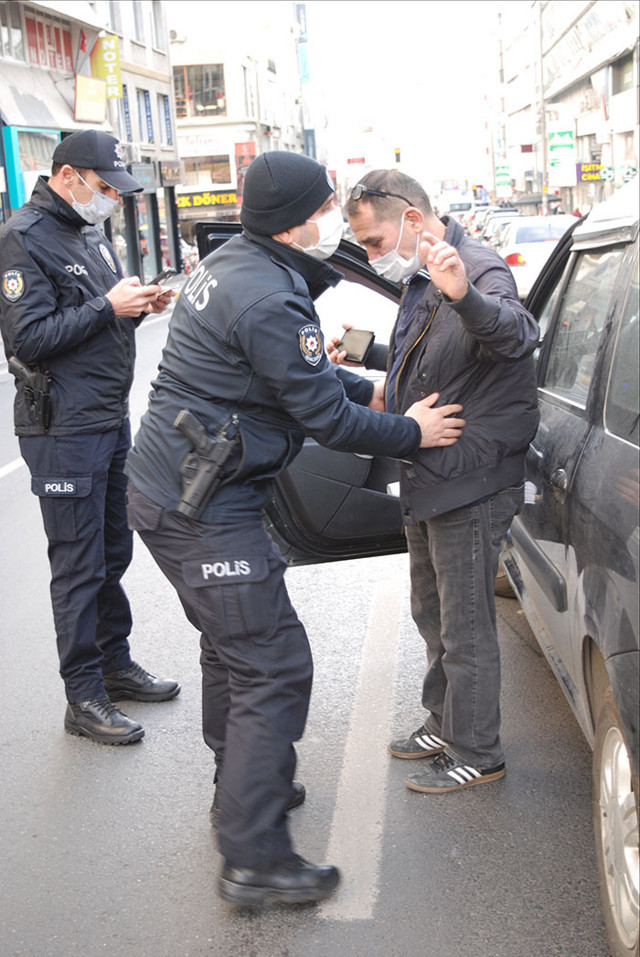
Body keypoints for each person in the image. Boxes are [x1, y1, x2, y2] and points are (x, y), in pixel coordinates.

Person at [124, 150, 466, 905]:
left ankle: (243, 788)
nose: (330, 227)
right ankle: (255, 859)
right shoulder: (267, 296)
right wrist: (410, 430)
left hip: (180, 488)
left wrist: (371, 383)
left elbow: (286, 379)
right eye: (323, 212)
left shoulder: (239, 265)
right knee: (272, 663)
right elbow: (323, 417)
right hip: (200, 503)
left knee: (232, 647)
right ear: (294, 221)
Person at [332, 169, 539, 794]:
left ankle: (478, 750)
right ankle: (444, 721)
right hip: (429, 473)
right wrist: (365, 353)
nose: (370, 256)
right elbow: (423, 357)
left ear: (414, 222)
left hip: (470, 479)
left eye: (372, 242)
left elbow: (515, 335)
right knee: (432, 612)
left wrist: (465, 296)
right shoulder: (425, 276)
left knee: (466, 624)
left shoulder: (474, 269)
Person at [0, 130, 180, 747]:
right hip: (63, 427)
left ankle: (114, 664)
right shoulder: (23, 237)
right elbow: (28, 340)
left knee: (111, 551)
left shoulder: (86, 231)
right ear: (70, 176)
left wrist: (140, 304)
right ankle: (84, 696)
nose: (111, 200)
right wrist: (108, 308)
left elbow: (99, 308)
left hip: (106, 416)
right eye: (104, 188)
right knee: (77, 565)